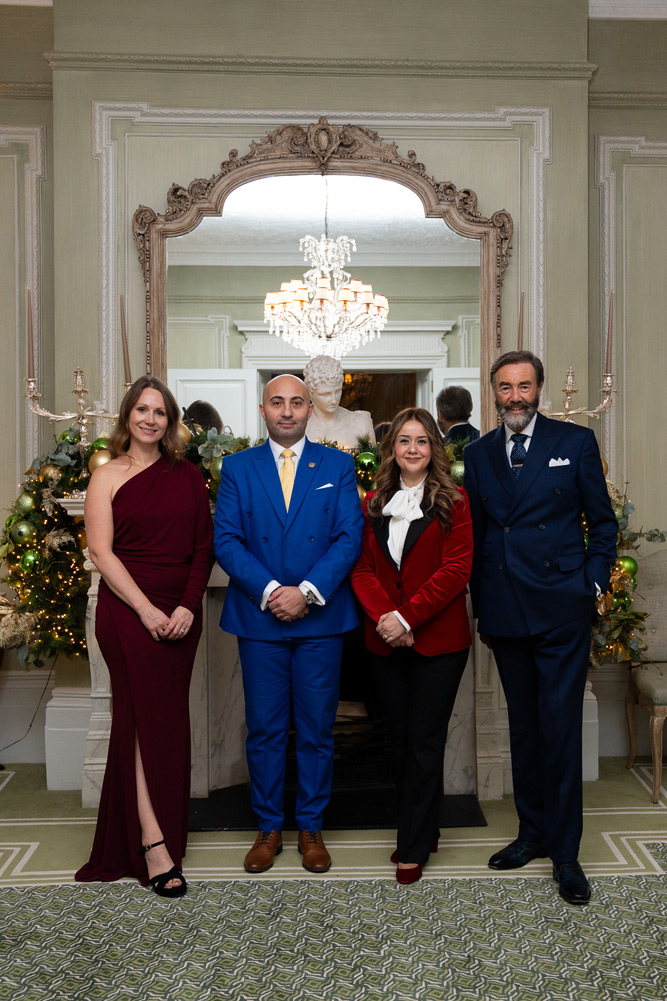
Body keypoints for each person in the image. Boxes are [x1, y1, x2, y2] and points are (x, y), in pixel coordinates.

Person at [463, 350, 618, 905]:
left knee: (560, 729)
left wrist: (590, 584)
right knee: (524, 729)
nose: (515, 397)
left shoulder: (574, 442)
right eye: (505, 387)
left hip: (561, 608)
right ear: (494, 393)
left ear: (539, 389)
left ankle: (566, 854)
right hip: (505, 609)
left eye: (524, 386)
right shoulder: (477, 453)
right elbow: (477, 536)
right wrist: (482, 608)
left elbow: (603, 525)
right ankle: (531, 834)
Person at [214, 374, 363, 874]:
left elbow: (349, 536)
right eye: (277, 402)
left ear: (308, 410)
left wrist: (307, 592)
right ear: (263, 410)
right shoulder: (237, 467)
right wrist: (273, 592)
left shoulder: (338, 465)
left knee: (318, 729)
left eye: (296, 402)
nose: (287, 411)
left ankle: (311, 828)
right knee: (265, 730)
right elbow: (226, 539)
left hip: (321, 619)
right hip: (260, 619)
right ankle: (268, 828)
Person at [76, 376, 214, 898]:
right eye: (142, 410)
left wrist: (186, 606)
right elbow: (101, 553)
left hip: (179, 614)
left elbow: (203, 549)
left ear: (170, 421)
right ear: (128, 416)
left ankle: (156, 826)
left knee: (166, 722)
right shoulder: (106, 476)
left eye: (160, 412)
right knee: (136, 720)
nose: (150, 419)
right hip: (127, 612)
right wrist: (147, 611)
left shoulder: (189, 476)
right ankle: (154, 842)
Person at [351, 408, 473, 885]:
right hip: (385, 640)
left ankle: (412, 844)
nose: (413, 449)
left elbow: (456, 570)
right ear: (392, 449)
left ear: (434, 448)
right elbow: (361, 569)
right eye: (404, 440)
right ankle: (424, 827)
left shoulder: (455, 501)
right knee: (400, 740)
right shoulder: (372, 503)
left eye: (422, 440)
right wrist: (387, 618)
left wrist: (406, 617)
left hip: (438, 641)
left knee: (425, 740)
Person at [303, 355, 376, 447]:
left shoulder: (360, 423)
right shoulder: (299, 426)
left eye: (337, 391)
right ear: (310, 394)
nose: (334, 400)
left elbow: (372, 455)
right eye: (326, 394)